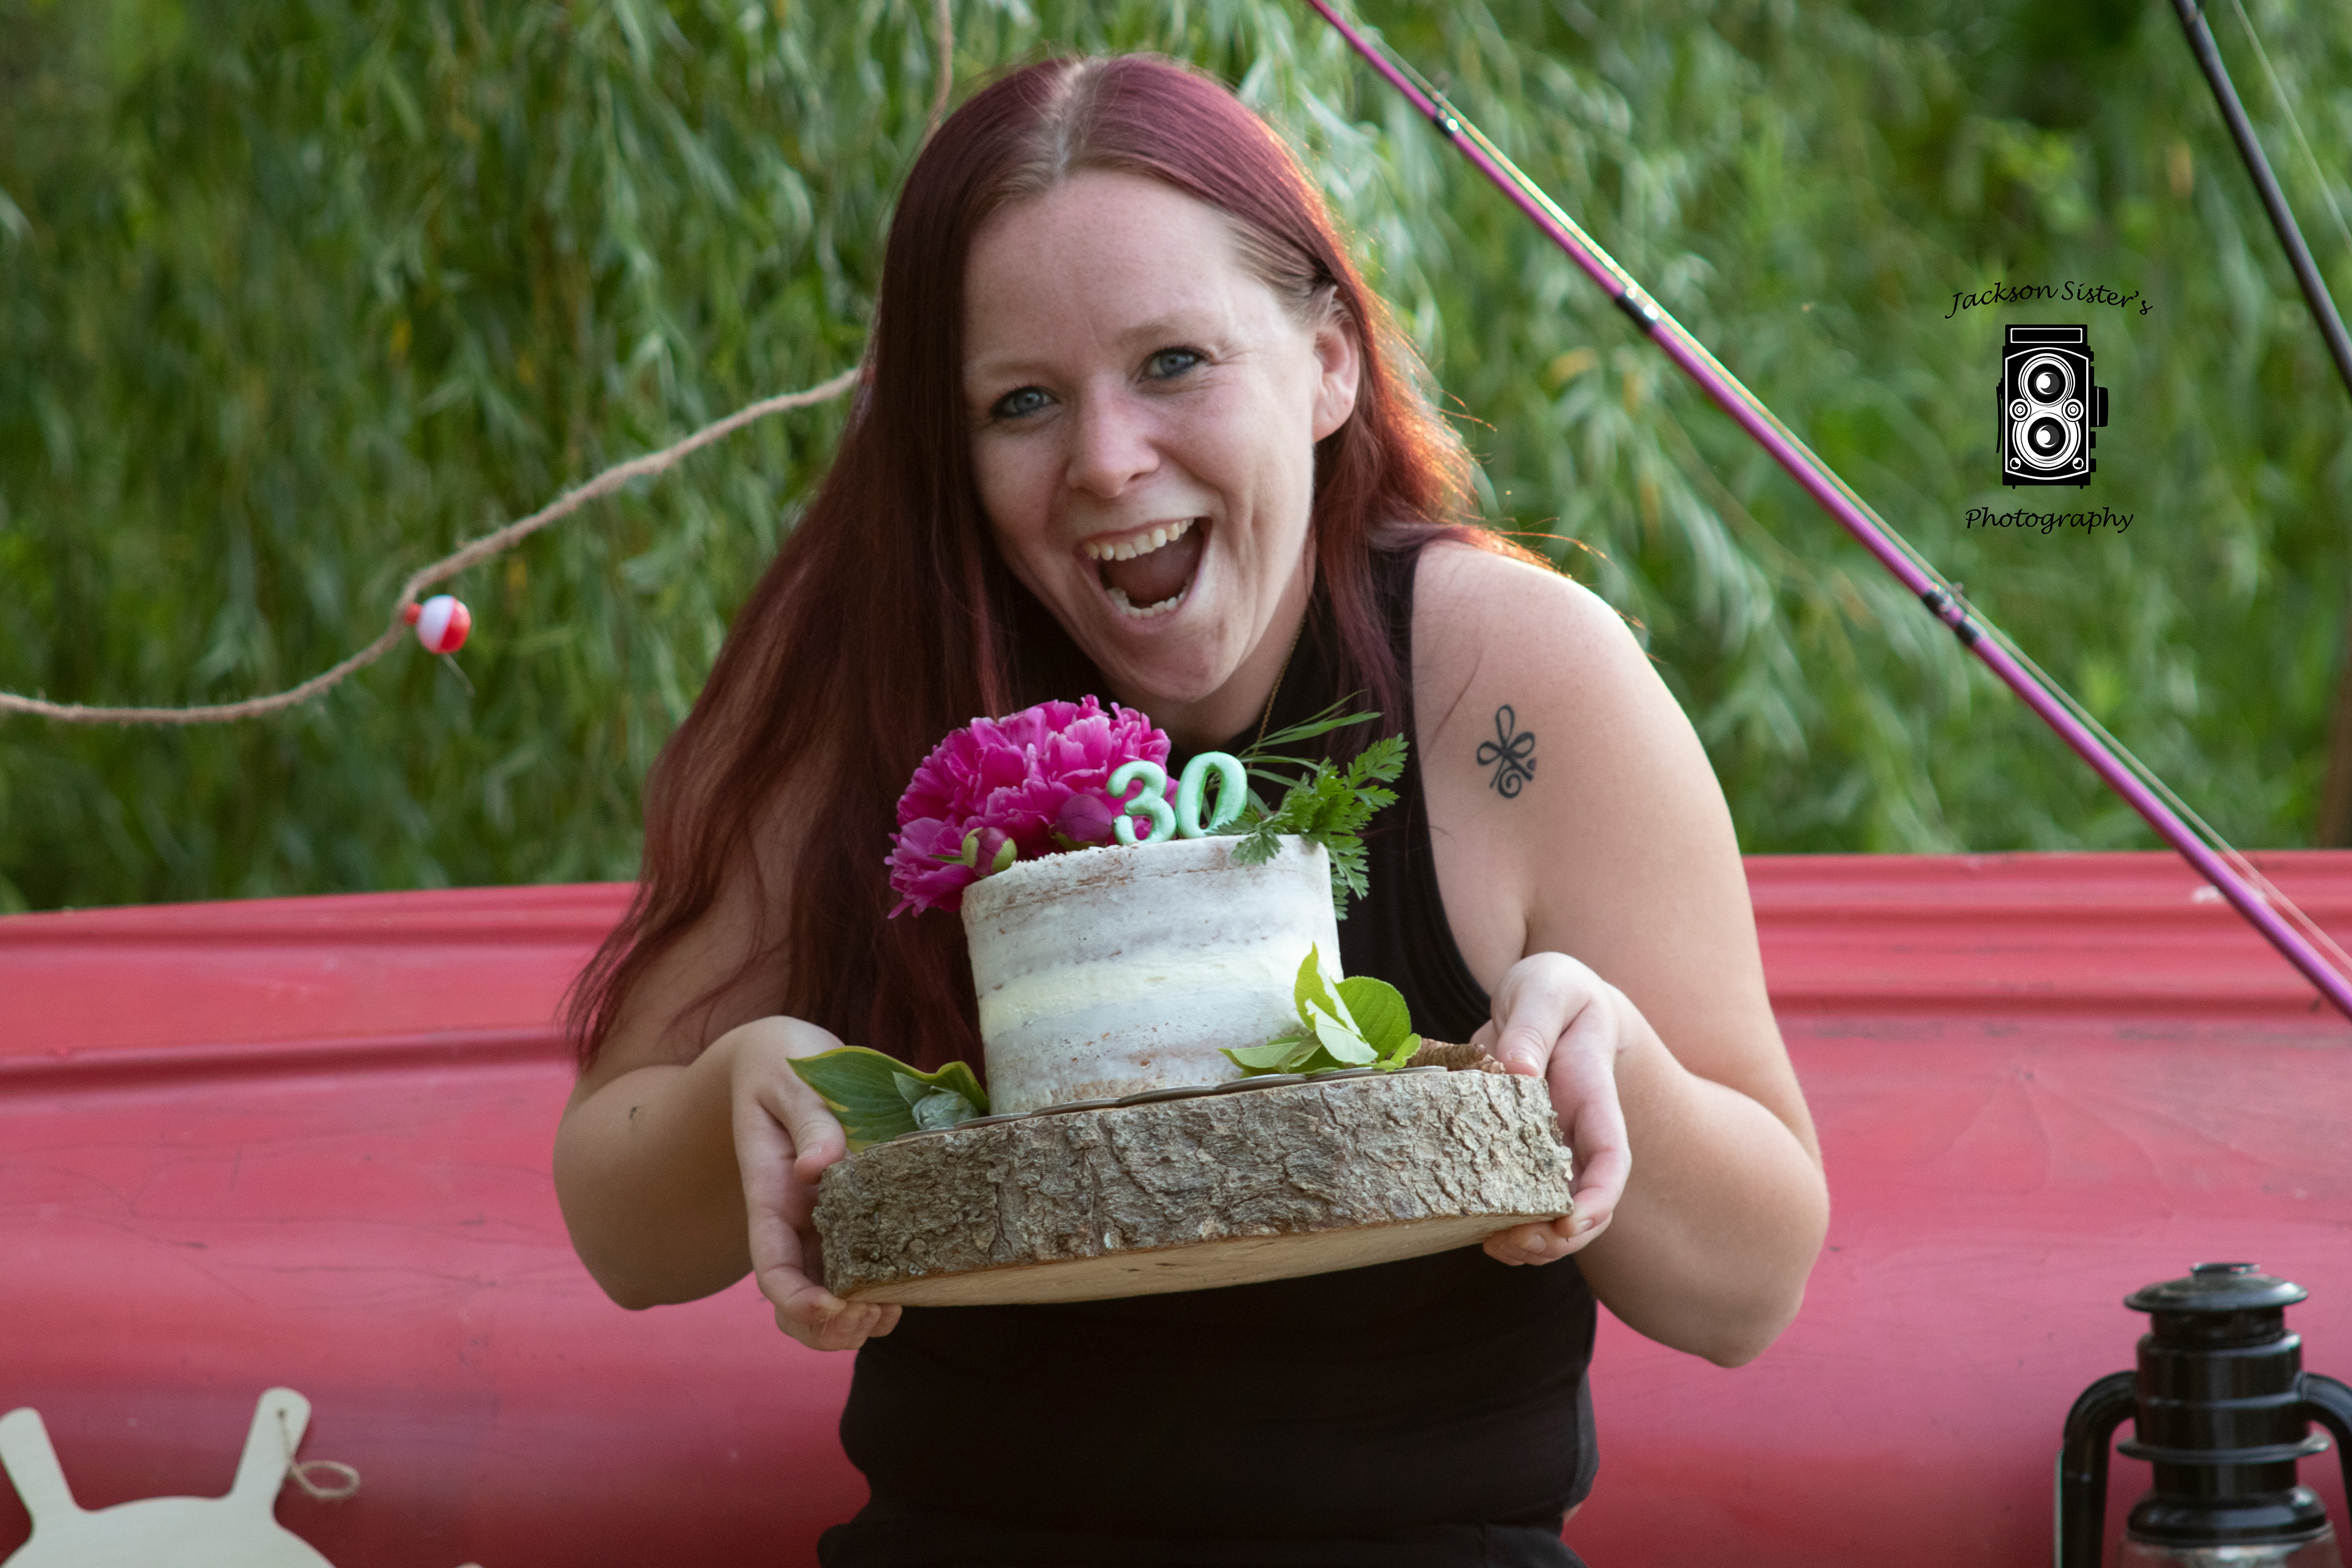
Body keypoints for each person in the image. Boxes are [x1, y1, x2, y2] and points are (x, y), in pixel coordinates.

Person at [552, 51, 1828, 1567]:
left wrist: (1605, 1069)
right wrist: (747, 1088)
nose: (1106, 460)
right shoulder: (863, 680)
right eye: (1022, 401)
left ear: (1329, 363)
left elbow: (1749, 1290)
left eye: (1173, 363)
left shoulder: (1517, 686)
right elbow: (620, 1220)